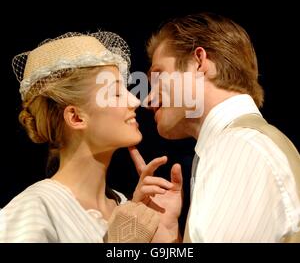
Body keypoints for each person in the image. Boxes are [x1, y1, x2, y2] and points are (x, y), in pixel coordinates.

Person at [130, 12, 300, 242]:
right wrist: (169, 238)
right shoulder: (244, 144)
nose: (148, 99)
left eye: (158, 76)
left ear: (199, 62)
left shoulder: (238, 148)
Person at [0, 31, 182, 243]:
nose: (134, 100)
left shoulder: (126, 208)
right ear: (76, 117)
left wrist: (167, 235)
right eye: (115, 93)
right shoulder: (34, 210)